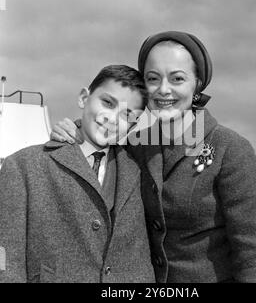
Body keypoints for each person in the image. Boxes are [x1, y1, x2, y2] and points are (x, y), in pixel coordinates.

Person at [51, 31, 256, 283]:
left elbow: (254, 256)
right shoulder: (135, 147)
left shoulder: (230, 149)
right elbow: (96, 150)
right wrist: (76, 130)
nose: (163, 90)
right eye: (153, 78)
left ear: (197, 84)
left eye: (177, 78)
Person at [0, 65, 155, 283]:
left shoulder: (138, 170)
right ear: (84, 97)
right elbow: (8, 260)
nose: (112, 118)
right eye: (107, 103)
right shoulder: (23, 165)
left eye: (126, 115)